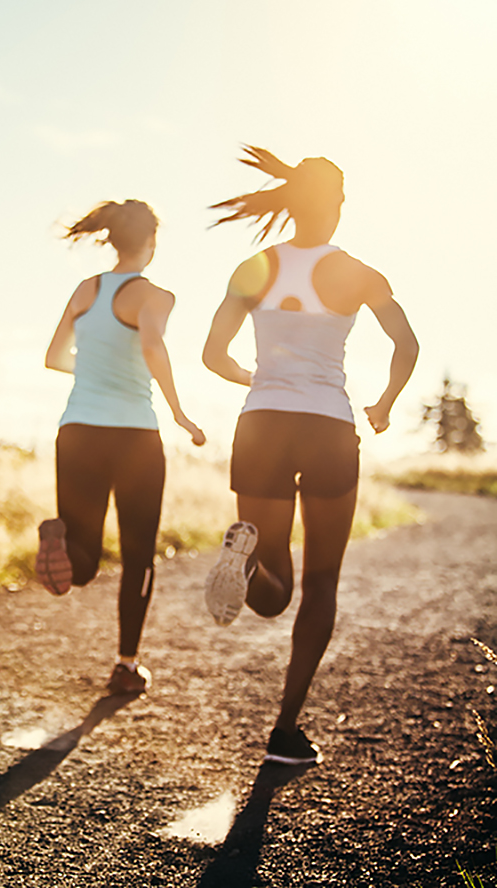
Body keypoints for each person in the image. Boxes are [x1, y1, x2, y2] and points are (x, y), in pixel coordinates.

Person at [202, 146, 419, 764]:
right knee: (321, 581)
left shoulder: (255, 267)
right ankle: (285, 731)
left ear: (289, 203)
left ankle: (246, 560)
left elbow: (212, 354)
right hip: (328, 425)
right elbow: (407, 343)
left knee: (273, 588)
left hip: (263, 422)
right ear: (340, 205)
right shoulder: (358, 272)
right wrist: (384, 404)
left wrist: (258, 380)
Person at [36, 200, 206, 695]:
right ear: (151, 242)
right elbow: (153, 346)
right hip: (134, 434)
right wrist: (178, 413)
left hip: (78, 431)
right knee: (139, 556)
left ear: (111, 240)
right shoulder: (155, 295)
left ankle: (58, 540)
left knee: (83, 557)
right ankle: (126, 665)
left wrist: (93, 371)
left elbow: (53, 358)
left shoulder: (84, 290)